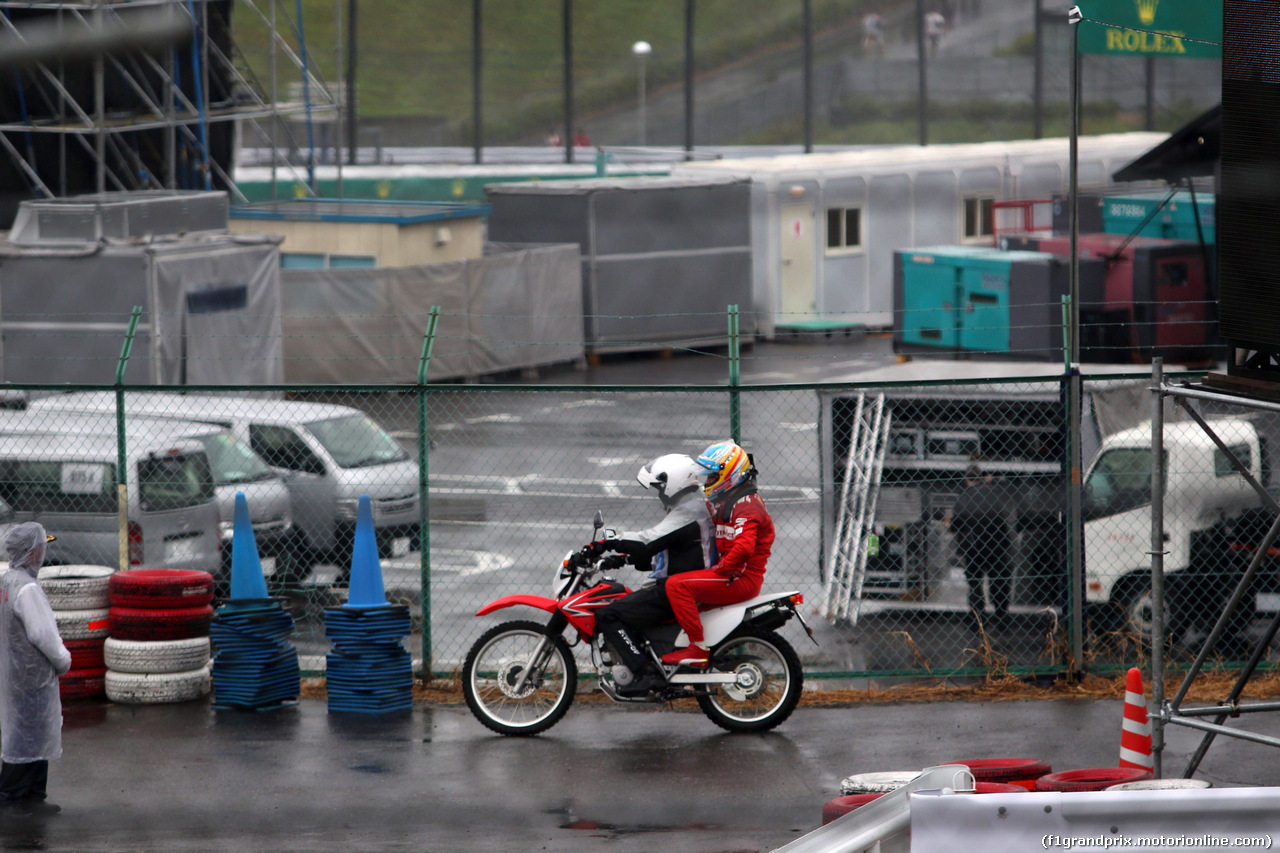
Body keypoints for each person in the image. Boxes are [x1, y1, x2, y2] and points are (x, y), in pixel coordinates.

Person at [590, 455, 713, 694]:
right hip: (681, 583)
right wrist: (621, 559)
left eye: (659, 487)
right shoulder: (691, 508)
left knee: (608, 615)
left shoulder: (688, 512)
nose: (658, 493)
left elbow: (648, 541)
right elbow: (662, 552)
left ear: (673, 482)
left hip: (676, 589)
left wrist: (609, 541)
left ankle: (645, 673)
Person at [662, 440, 774, 667]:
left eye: (712, 476)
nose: (707, 481)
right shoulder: (729, 500)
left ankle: (696, 649)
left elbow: (744, 548)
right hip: (734, 575)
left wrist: (719, 570)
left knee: (676, 585)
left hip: (740, 579)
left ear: (729, 475)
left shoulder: (747, 504)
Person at [0, 523, 71, 814]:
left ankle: (32, 795)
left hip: (14, 671)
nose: (45, 551)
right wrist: (63, 660)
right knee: (26, 735)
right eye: (43, 546)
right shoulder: (27, 588)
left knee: (31, 733)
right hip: (30, 674)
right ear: (33, 552)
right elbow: (43, 634)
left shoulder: (7, 581)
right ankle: (12, 795)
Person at [946, 463, 1014, 626]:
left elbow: (956, 525)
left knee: (975, 582)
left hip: (974, 546)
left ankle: (978, 616)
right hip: (996, 544)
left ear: (966, 479)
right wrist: (993, 481)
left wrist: (949, 523)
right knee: (998, 580)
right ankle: (1001, 615)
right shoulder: (994, 493)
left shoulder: (964, 497)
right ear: (982, 477)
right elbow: (1010, 490)